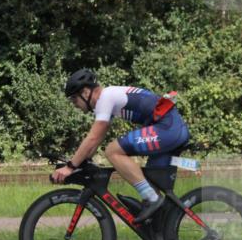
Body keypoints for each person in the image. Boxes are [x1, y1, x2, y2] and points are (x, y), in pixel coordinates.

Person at [51, 68, 189, 223]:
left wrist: (70, 166)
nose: (74, 105)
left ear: (85, 92)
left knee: (112, 151)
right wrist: (82, 161)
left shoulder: (105, 98)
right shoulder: (107, 100)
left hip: (168, 128)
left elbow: (93, 137)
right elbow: (97, 139)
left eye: (74, 99)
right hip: (168, 128)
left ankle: (152, 198)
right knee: (154, 199)